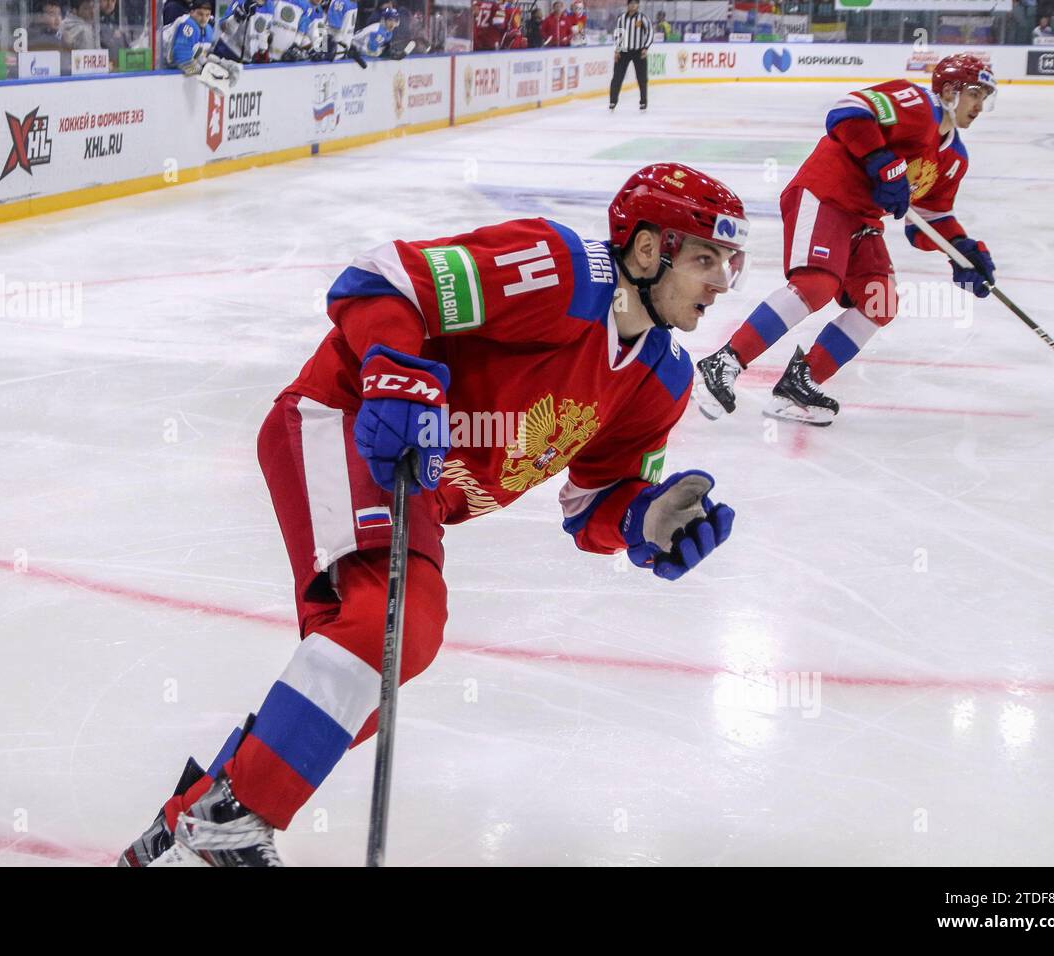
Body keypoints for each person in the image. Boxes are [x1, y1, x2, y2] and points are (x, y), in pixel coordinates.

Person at [119, 163, 749, 867]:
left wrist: (646, 518)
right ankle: (218, 828)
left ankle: (189, 826)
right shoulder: (561, 273)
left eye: (728, 262)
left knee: (370, 669)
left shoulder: (660, 380)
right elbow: (381, 279)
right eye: (704, 260)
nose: (721, 283)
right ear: (644, 252)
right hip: (343, 420)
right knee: (397, 625)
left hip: (413, 488)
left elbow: (593, 504)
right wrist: (394, 373)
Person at [694, 54, 998, 426]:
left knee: (879, 299)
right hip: (826, 192)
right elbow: (847, 111)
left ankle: (798, 385)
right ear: (950, 90)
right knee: (817, 285)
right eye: (974, 94)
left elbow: (929, 221)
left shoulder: (954, 158)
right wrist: (881, 161)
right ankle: (724, 362)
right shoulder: (917, 106)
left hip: (863, 217)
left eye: (985, 97)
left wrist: (963, 252)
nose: (980, 106)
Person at [610, 0, 652, 111]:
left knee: (642, 78)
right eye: (631, 3)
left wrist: (645, 48)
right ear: (627, 5)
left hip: (639, 51)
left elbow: (649, 32)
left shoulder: (643, 18)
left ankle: (643, 102)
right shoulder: (622, 18)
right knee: (617, 77)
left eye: (635, 3)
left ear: (638, 5)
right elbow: (618, 34)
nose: (633, 5)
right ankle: (612, 101)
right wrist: (617, 50)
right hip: (623, 51)